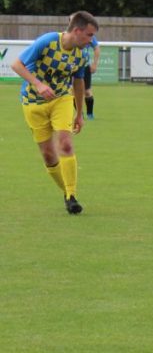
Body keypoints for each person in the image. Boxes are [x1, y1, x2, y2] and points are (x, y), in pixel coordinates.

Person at [12, 11, 100, 214]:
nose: (91, 41)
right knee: (49, 156)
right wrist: (38, 84)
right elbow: (16, 64)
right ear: (77, 31)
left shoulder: (81, 54)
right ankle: (67, 192)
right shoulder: (48, 41)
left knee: (66, 144)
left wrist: (79, 113)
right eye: (89, 35)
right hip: (33, 102)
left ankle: (71, 196)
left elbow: (78, 83)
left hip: (62, 99)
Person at [82, 34, 100, 119]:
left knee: (87, 91)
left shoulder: (88, 34)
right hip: (72, 66)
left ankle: (90, 114)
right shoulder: (68, 34)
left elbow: (96, 48)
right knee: (72, 92)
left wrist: (95, 64)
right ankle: (79, 114)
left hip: (85, 66)